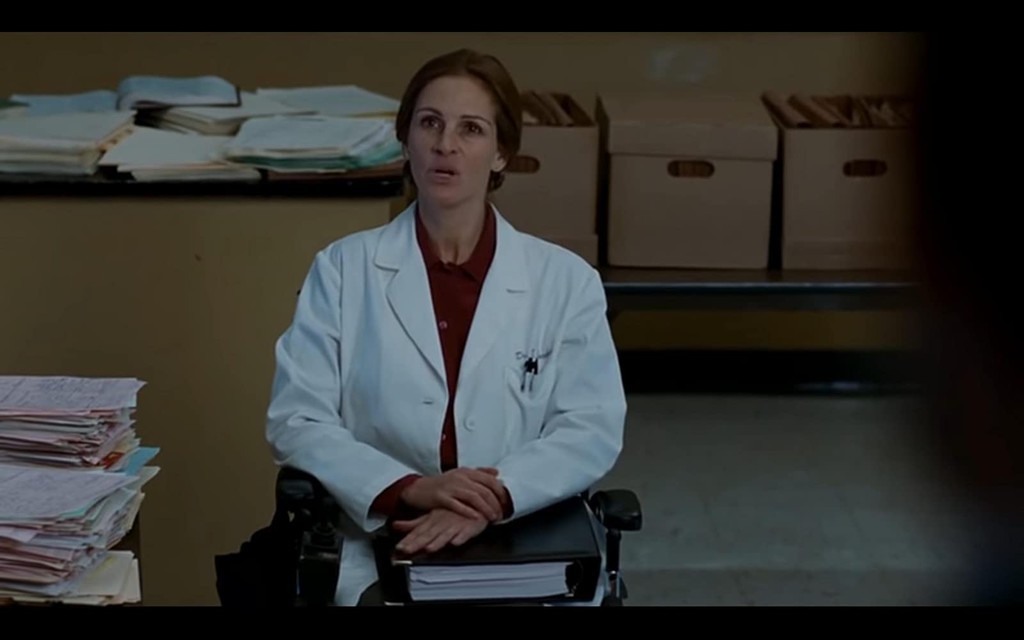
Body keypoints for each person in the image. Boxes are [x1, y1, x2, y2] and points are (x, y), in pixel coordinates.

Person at [264, 48, 627, 606]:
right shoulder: (342, 270)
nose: (445, 144)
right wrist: (414, 489)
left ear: (501, 153)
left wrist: (493, 497)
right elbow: (297, 419)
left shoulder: (565, 281)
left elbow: (590, 427)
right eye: (429, 123)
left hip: (522, 536)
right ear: (405, 139)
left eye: (471, 129)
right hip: (384, 535)